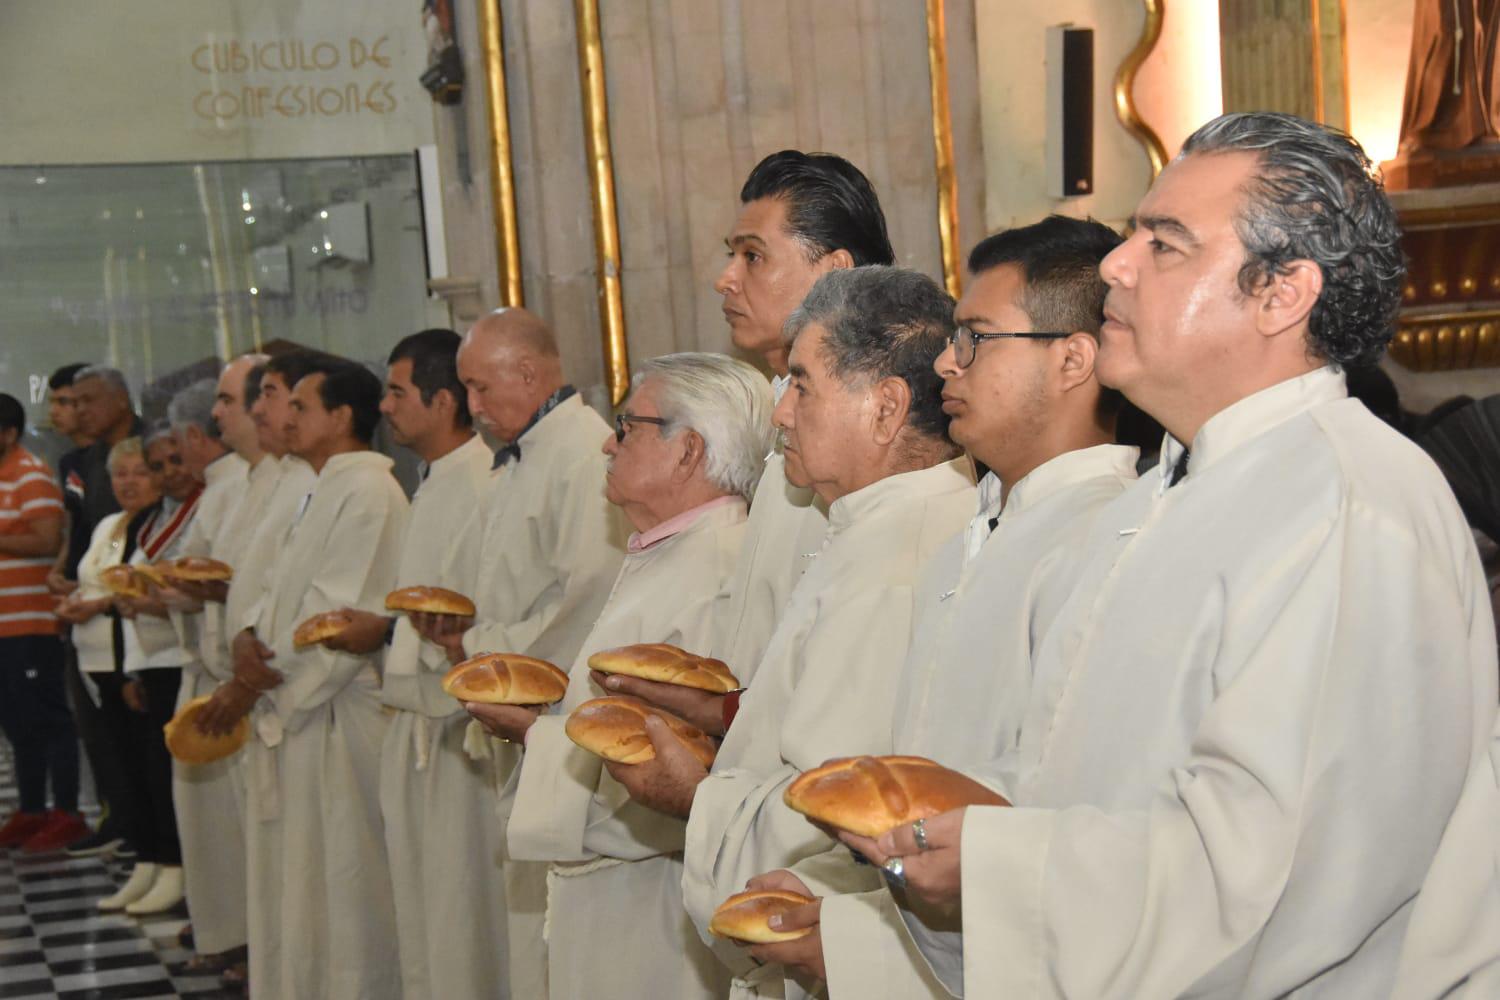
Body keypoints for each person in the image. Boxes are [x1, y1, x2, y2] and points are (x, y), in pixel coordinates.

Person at [850, 112, 1498, 999]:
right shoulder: (1163, 498)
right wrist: (942, 828)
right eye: (1130, 237)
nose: (1116, 265)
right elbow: (1075, 772)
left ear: (1282, 293)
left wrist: (1000, 866)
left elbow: (1283, 874)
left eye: (1165, 244)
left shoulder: (1349, 505)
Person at [752, 216, 1142, 995]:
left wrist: (858, 947)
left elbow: (1059, 828)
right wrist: (841, 907)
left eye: (974, 337)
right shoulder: (974, 532)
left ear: (1073, 357)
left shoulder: (1112, 538)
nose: (944, 362)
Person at [610, 266, 974, 998]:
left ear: (885, 408)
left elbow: (830, 813)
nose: (780, 415)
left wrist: (694, 795)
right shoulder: (879, 531)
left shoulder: (898, 563)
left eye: (802, 386)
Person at [499, 353, 772, 999]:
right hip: (609, 889)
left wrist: (535, 739)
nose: (607, 442)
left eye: (628, 426)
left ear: (688, 452)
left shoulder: (719, 571)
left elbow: (674, 769)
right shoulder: (674, 553)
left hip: (651, 902)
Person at [415, 307, 627, 1000]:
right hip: (515, 709)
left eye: (480, 388)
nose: (471, 408)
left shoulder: (580, 452)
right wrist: (465, 635)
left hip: (554, 715)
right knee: (522, 906)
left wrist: (479, 650)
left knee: (551, 918)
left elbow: (586, 592)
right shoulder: (524, 454)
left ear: (529, 373)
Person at [215, 359, 408, 999]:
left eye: (300, 407)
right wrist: (246, 637)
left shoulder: (370, 490)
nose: (286, 419)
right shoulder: (316, 486)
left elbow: (336, 615)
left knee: (346, 888)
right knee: (301, 888)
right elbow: (270, 585)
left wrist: (257, 682)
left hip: (336, 714)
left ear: (341, 417)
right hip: (295, 709)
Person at [323, 330, 506, 1000]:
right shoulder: (433, 480)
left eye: (398, 391)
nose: (385, 405)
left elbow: (483, 604)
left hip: (459, 734)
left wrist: (420, 631)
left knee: (464, 916)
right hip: (417, 722)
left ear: (444, 400)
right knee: (427, 911)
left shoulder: (487, 480)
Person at [707, 151, 896, 691]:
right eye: (731, 255)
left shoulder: (863, 423)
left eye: (753, 257)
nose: (726, 279)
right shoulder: (786, 399)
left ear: (833, 273)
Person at [192, 348, 322, 992]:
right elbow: (266, 585)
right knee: (269, 862)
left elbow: (315, 599)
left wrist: (252, 669)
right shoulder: (261, 480)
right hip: (261, 684)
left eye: (281, 397)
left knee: (311, 874)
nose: (273, 411)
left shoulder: (312, 480)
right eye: (269, 397)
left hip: (296, 694)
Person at [162, 365, 260, 972]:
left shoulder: (252, 483)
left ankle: (247, 942)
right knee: (215, 828)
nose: (216, 418)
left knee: (240, 828)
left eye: (227, 402)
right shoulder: (233, 485)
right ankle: (228, 934)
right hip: (220, 667)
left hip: (249, 679)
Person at [97, 425, 205, 915]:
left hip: (180, 658)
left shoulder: (200, 508)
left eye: (170, 463)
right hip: (148, 657)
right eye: (157, 466)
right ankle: (154, 858)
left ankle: (175, 865)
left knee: (171, 776)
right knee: (147, 774)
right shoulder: (150, 519)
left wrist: (155, 598)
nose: (167, 474)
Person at [53, 437, 160, 906]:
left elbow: (140, 591)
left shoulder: (158, 528)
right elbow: (96, 579)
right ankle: (144, 856)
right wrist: (73, 595)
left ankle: (160, 857)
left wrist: (96, 603)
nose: (128, 482)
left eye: (139, 472)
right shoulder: (109, 525)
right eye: (120, 474)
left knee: (145, 765)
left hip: (132, 662)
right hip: (95, 661)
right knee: (117, 763)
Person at [52, 365, 143, 859]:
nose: (80, 410)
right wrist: (65, 570)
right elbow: (83, 526)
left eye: (88, 400)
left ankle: (143, 830)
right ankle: (120, 816)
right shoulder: (84, 459)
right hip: (88, 598)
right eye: (74, 401)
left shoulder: (147, 447)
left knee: (132, 732)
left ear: (121, 401)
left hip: (131, 611)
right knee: (100, 730)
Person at [0, 392, 86, 852]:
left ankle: (67, 812)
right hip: (3, 625)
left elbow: (46, 540)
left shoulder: (28, 475)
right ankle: (32, 808)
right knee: (16, 722)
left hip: (30, 623)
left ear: (9, 434)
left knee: (48, 718)